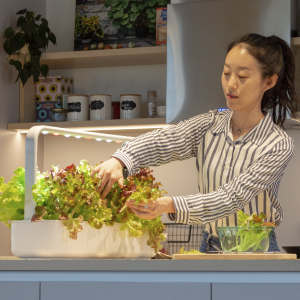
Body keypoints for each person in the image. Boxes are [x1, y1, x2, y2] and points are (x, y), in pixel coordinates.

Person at [91, 33, 298, 253]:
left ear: (269, 81)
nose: (231, 84)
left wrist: (168, 205)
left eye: (243, 76)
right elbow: (164, 141)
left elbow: (231, 198)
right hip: (209, 246)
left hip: (256, 251)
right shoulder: (208, 125)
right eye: (226, 73)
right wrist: (119, 160)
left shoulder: (278, 144)